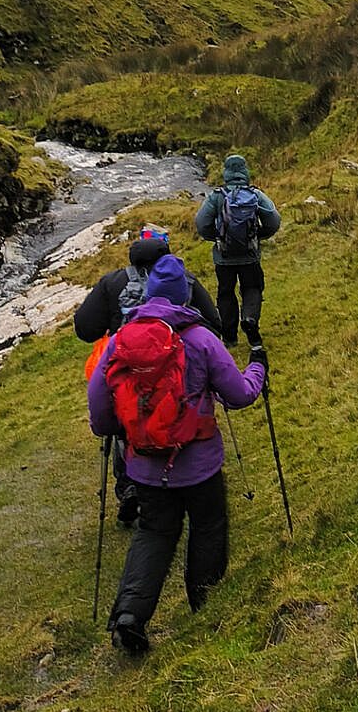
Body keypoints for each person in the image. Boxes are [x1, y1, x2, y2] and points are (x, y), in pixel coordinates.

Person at [87, 255, 266, 654]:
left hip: (144, 467)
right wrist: (258, 368)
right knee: (207, 527)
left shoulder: (121, 340)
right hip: (199, 465)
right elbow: (240, 395)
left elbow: (98, 405)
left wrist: (119, 428)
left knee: (154, 533)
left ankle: (129, 617)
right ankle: (205, 605)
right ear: (184, 295)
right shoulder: (201, 339)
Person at [74, 225, 223, 526]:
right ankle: (178, 480)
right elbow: (213, 323)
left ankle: (130, 485)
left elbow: (85, 328)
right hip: (175, 377)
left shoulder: (113, 282)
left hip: (126, 375)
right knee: (174, 419)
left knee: (126, 422)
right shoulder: (185, 281)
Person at [194, 154, 281, 347]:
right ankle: (250, 319)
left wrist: (217, 238)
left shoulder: (217, 196)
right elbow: (274, 221)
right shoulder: (255, 195)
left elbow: (201, 224)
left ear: (225, 172)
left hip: (224, 257)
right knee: (252, 288)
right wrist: (258, 236)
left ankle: (230, 338)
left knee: (225, 293)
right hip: (250, 255)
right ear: (245, 171)